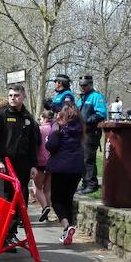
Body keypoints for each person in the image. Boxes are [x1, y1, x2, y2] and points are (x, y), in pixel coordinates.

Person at [0, 83, 41, 243]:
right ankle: (0, 235)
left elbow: (33, 144)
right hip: (4, 165)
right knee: (4, 199)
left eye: (16, 95)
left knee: (19, 200)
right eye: (10, 95)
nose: (12, 98)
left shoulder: (28, 118)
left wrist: (33, 165)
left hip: (22, 166)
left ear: (23, 96)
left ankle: (10, 234)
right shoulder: (0, 114)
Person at [44, 103, 85, 245]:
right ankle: (69, 230)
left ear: (62, 114)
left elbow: (51, 146)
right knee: (68, 198)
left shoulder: (58, 126)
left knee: (56, 199)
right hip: (77, 168)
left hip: (61, 168)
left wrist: (48, 139)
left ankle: (67, 226)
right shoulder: (79, 128)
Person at [76, 75, 107, 194]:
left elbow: (101, 114)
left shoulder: (96, 97)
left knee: (88, 158)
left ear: (90, 84)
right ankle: (85, 183)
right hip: (81, 132)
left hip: (91, 132)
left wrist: (87, 120)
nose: (82, 87)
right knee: (81, 158)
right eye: (81, 85)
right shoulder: (81, 99)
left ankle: (92, 184)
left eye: (85, 85)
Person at [35, 111, 55, 222]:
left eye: (40, 119)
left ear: (44, 118)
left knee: (37, 188)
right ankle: (47, 210)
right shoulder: (55, 128)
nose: (40, 121)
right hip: (52, 162)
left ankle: (45, 208)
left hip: (40, 161)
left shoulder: (40, 129)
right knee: (47, 189)